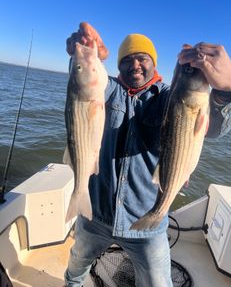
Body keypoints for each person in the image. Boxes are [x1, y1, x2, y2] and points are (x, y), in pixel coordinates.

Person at [64, 22, 231, 287]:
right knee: (76, 267)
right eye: (126, 60)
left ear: (153, 62)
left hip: (147, 221)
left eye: (142, 58)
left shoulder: (168, 96)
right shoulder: (108, 90)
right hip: (95, 214)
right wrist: (87, 55)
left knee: (157, 283)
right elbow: (85, 88)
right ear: (117, 67)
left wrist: (224, 91)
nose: (135, 65)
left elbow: (213, 129)